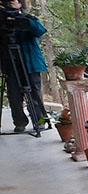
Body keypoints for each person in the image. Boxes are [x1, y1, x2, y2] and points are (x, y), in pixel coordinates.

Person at [0, 0, 47, 133]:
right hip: (11, 64)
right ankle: (19, 123)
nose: (10, 3)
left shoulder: (28, 19)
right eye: (7, 2)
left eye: (13, 1)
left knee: (35, 94)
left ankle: (41, 121)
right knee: (14, 95)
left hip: (30, 64)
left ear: (20, 4)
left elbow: (40, 30)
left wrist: (21, 19)